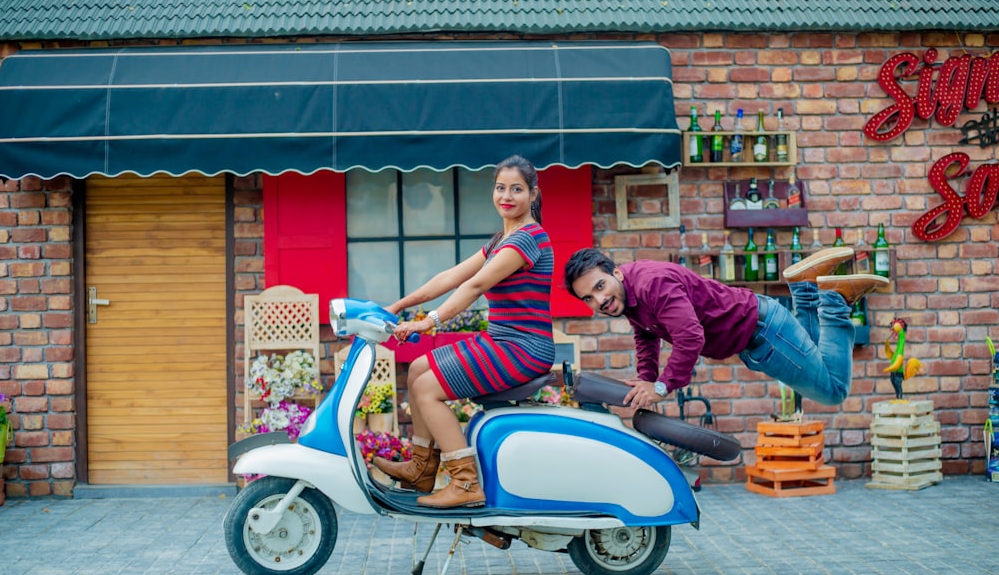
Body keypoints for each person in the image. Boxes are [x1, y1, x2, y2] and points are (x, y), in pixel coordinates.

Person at [374, 155, 555, 508]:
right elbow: (450, 277)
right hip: (502, 340)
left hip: (524, 347)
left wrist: (428, 323)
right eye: (500, 188)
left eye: (516, 189)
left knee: (427, 390)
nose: (506, 196)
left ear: (533, 194)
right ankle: (421, 469)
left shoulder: (527, 239)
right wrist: (397, 305)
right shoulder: (502, 239)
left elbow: (474, 286)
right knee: (416, 370)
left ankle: (466, 483)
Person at [563, 246, 889, 411]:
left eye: (600, 286)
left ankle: (834, 299)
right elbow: (646, 332)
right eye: (588, 298)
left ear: (616, 273)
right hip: (760, 326)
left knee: (833, 392)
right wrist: (647, 377)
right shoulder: (629, 292)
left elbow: (690, 336)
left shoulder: (652, 284)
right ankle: (805, 287)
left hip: (763, 335)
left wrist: (662, 387)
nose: (599, 299)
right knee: (819, 357)